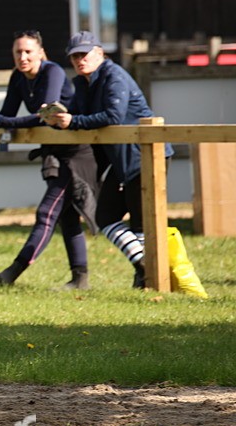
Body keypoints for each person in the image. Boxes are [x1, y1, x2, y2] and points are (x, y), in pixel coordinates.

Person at [47, 31, 173, 289]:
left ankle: (149, 280)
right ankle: (144, 268)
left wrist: (73, 121)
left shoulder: (115, 76)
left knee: (141, 224)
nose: (80, 60)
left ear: (100, 53)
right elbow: (80, 118)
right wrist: (60, 121)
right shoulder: (82, 83)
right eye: (74, 57)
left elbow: (113, 116)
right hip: (121, 160)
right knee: (105, 218)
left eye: (85, 54)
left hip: (145, 156)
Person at [0, 31, 98, 289]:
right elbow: (7, 115)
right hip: (55, 150)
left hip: (76, 152)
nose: (23, 57)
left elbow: (44, 115)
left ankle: (12, 273)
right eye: (18, 52)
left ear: (41, 53)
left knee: (46, 212)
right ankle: (80, 278)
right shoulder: (18, 77)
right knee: (67, 217)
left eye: (28, 51)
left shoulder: (53, 72)